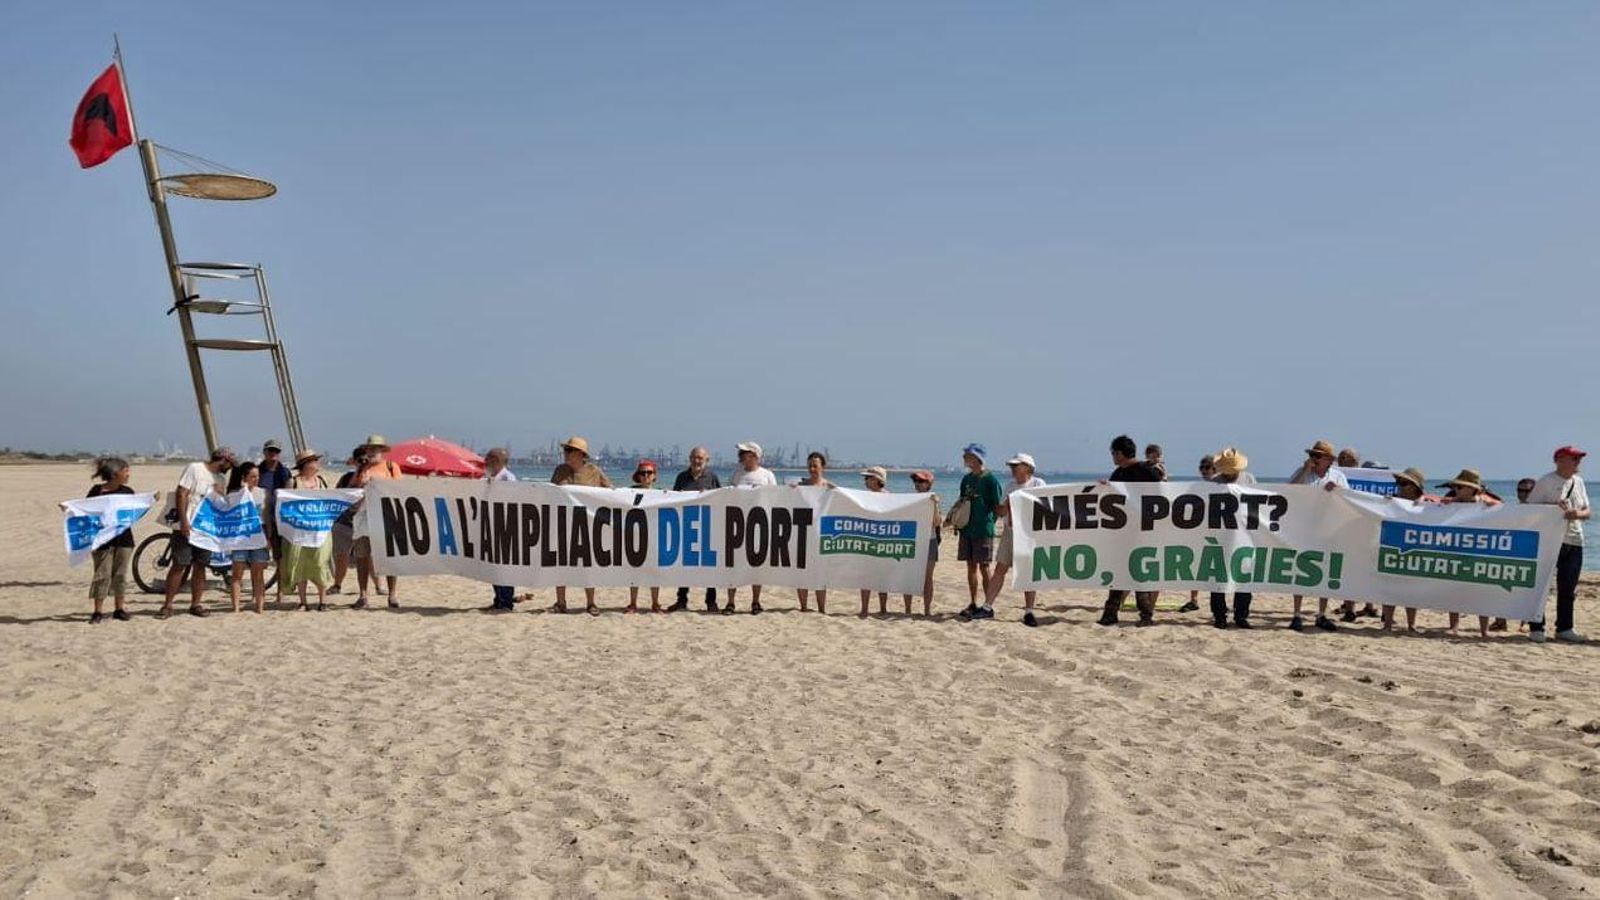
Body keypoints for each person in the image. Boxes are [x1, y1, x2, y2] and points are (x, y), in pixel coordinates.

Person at [161, 446, 236, 619]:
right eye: (229, 463)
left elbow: (218, 503)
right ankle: (168, 604)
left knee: (200, 565)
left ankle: (196, 603)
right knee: (179, 564)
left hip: (205, 529)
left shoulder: (220, 479)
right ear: (222, 460)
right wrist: (183, 522)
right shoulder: (195, 468)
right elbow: (182, 493)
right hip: (187, 525)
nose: (230, 467)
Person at [1526, 446, 1590, 643]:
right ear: (1560, 460)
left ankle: (1564, 627)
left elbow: (1587, 511)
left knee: (1568, 588)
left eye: (1579, 458)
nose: (1578, 462)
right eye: (1574, 458)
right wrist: (1553, 510)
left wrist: (1577, 514)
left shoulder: (1578, 482)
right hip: (1550, 540)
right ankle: (1536, 627)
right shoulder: (1546, 482)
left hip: (1575, 539)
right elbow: (1530, 510)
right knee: (1541, 585)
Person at [1098, 435, 1164, 627]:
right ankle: (1110, 613)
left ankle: (1146, 615)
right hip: (1121, 531)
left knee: (1139, 573)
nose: (1112, 456)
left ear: (1120, 453)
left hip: (1142, 531)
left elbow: (1161, 496)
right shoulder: (1117, 474)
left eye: (1113, 453)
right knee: (1119, 571)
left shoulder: (1147, 472)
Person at [1287, 440, 1348, 632]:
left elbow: (1349, 499)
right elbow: (1289, 491)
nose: (1313, 459)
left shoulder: (1338, 476)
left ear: (1329, 459)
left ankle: (1321, 614)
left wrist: (1337, 491)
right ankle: (1297, 614)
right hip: (1303, 528)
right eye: (1312, 455)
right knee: (1300, 570)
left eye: (1317, 456)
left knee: (1325, 570)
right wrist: (1305, 470)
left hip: (1328, 529)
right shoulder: (1302, 473)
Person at [550, 436, 613, 614]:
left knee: (587, 566)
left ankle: (591, 603)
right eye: (566, 450)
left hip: (587, 525)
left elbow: (611, 493)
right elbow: (550, 493)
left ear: (580, 454)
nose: (565, 453)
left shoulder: (594, 471)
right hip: (563, 523)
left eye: (569, 450)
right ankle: (561, 602)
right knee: (561, 563)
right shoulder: (560, 471)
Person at [983, 453, 1046, 626]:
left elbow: (1045, 506)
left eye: (1016, 466)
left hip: (1029, 534)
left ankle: (1029, 611)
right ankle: (987, 606)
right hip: (1010, 532)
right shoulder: (1010, 486)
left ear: (1027, 467)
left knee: (1027, 572)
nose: (1012, 469)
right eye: (1012, 466)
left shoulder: (1038, 484)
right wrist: (1004, 505)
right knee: (1000, 569)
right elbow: (1001, 512)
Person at [1438, 469, 1500, 637]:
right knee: (1454, 588)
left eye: (1460, 487)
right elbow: (1435, 504)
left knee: (1481, 590)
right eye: (1455, 487)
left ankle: (1484, 629)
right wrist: (1452, 501)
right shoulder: (1453, 503)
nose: (1456, 490)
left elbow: (1502, 510)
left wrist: (1486, 501)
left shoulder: (1486, 503)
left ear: (1472, 488)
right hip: (1457, 550)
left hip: (1480, 551)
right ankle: (1454, 625)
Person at [350, 435, 404, 610]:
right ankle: (363, 594)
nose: (372, 451)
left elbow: (399, 489)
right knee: (362, 557)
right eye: (369, 448)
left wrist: (378, 484)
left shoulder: (391, 467)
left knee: (390, 556)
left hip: (386, 515)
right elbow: (350, 490)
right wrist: (360, 478)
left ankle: (392, 594)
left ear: (382, 450)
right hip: (364, 516)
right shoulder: (362, 468)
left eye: (375, 448)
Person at [953, 443, 1004, 621]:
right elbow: (961, 502)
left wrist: (989, 523)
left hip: (983, 529)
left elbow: (998, 507)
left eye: (967, 455)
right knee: (970, 566)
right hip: (967, 528)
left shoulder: (991, 480)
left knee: (984, 566)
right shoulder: (966, 479)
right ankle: (973, 602)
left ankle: (988, 604)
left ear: (977, 457)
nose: (964, 457)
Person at [1207, 448, 1256, 628]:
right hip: (1220, 535)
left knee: (1243, 577)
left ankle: (1241, 616)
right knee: (1217, 578)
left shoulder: (1249, 480)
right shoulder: (1213, 482)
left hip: (1244, 535)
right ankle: (1219, 616)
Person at [668, 446, 721, 612]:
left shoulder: (712, 477)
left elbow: (721, 499)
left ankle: (711, 601)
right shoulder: (682, 477)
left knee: (709, 565)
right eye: (694, 457)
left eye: (700, 458)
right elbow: (674, 499)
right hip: (686, 526)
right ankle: (682, 600)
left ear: (707, 460)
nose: (697, 461)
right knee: (685, 564)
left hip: (707, 526)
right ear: (690, 458)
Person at [726, 441, 777, 615]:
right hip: (737, 523)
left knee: (757, 564)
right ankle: (730, 602)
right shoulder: (736, 474)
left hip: (759, 525)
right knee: (733, 564)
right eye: (741, 453)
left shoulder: (767, 475)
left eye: (745, 453)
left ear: (754, 455)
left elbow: (776, 499)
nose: (741, 456)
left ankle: (755, 601)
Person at [84, 457, 135, 623]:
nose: (128, 474)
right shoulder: (96, 492)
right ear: (115, 474)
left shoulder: (128, 492)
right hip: (102, 540)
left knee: (120, 574)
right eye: (126, 471)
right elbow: (85, 511)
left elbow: (134, 511)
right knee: (102, 574)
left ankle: (119, 608)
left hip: (124, 539)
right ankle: (98, 611)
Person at [1379, 468, 1431, 633]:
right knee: (1390, 586)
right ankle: (1387, 623)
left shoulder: (1427, 504)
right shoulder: (1392, 501)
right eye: (1398, 482)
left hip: (1416, 547)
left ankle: (1411, 624)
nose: (1400, 486)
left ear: (1415, 486)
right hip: (1392, 545)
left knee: (1412, 588)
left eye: (1404, 483)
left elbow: (1450, 507)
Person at [279, 449, 332, 611]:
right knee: (299, 563)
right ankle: (303, 601)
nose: (317, 464)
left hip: (319, 531)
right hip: (299, 532)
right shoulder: (293, 482)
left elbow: (329, 502)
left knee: (320, 563)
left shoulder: (321, 481)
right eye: (314, 461)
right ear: (306, 464)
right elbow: (285, 506)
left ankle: (323, 601)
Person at [223, 462, 270, 614]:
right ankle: (236, 607)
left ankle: (259, 607)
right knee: (237, 574)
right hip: (240, 538)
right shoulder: (234, 495)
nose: (256, 479)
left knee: (258, 575)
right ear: (244, 477)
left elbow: (266, 517)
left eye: (258, 476)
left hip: (258, 537)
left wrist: (269, 537)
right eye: (253, 476)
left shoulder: (263, 493)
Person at [624, 459, 665, 614]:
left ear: (654, 476)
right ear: (638, 476)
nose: (646, 476)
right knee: (634, 571)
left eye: (649, 473)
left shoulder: (661, 493)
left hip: (654, 535)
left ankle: (655, 603)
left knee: (654, 571)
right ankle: (633, 603)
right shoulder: (629, 493)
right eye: (643, 473)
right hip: (634, 535)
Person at [795, 451, 833, 614]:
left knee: (821, 572)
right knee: (802, 571)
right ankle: (803, 606)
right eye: (810, 465)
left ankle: (821, 608)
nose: (812, 469)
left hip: (821, 534)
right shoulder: (801, 486)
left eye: (815, 466)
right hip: (803, 533)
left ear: (822, 467)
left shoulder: (830, 487)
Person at [484, 447, 518, 611]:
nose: (485, 460)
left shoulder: (508, 478)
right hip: (491, 524)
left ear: (496, 460)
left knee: (504, 565)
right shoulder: (491, 477)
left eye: (488, 458)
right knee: (493, 565)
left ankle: (506, 601)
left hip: (505, 526)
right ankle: (499, 598)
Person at [258, 439, 292, 602]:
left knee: (280, 557)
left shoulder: (284, 472)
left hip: (279, 519)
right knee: (259, 557)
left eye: (276, 452)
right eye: (270, 451)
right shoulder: (257, 471)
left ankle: (280, 591)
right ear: (264, 452)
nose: (273, 454)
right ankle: (258, 592)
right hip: (259, 519)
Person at [1183, 455, 1218, 613]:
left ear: (1214, 469)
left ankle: (1218, 599)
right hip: (1200, 529)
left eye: (1207, 467)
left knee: (1216, 567)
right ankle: (1194, 599)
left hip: (1217, 530)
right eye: (1201, 467)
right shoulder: (1197, 486)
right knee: (1196, 564)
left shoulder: (1221, 485)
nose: (1204, 470)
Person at [857, 466, 893, 617]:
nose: (865, 481)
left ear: (877, 480)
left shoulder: (890, 497)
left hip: (883, 540)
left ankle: (883, 608)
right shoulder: (865, 496)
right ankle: (864, 608)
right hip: (867, 539)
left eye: (867, 478)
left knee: (882, 576)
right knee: (865, 576)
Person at [904, 470, 940, 617]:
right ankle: (907, 609)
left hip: (929, 540)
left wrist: (935, 505)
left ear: (928, 484)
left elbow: (937, 522)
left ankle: (927, 609)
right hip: (912, 540)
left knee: (928, 577)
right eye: (916, 481)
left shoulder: (932, 499)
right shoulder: (910, 499)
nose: (917, 484)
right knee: (909, 575)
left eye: (921, 481)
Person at [328, 448, 364, 596]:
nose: (363, 463)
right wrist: (357, 474)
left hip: (364, 522)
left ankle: (377, 586)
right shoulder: (346, 478)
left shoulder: (374, 478)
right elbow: (338, 496)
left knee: (368, 557)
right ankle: (337, 584)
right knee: (341, 556)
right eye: (360, 460)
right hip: (345, 522)